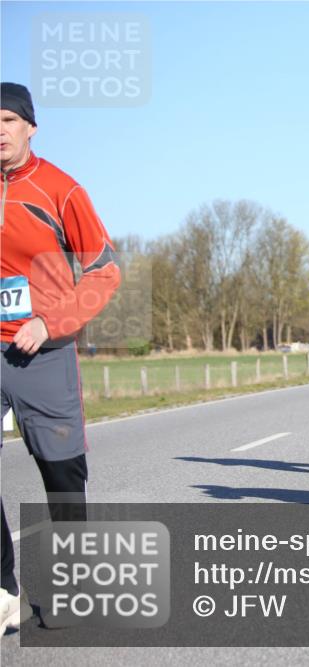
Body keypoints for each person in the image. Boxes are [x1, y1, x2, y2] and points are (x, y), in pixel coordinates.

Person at [1, 83, 122, 631]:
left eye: (8, 120)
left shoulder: (61, 190)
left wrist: (52, 321)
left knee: (61, 474)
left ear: (30, 127)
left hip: (43, 353)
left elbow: (104, 269)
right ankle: (5, 591)